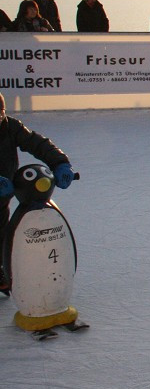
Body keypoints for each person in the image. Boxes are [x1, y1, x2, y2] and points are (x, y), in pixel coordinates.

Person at [0, 91, 76, 294]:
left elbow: (38, 144)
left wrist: (60, 163)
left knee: (2, 231)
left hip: (2, 196)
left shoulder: (9, 127)